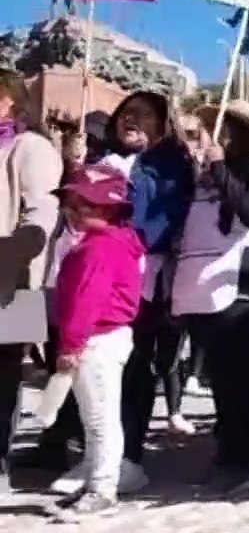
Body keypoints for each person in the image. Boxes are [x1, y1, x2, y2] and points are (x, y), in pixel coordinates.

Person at [52, 92, 195, 495]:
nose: (133, 120)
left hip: (135, 285)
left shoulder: (169, 170)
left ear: (162, 126)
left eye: (146, 115)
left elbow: (160, 224)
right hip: (82, 276)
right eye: (127, 113)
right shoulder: (102, 160)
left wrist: (113, 240)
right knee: (85, 372)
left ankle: (126, 459)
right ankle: (92, 455)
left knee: (130, 373)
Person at [171, 101, 249, 496]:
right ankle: (233, 450)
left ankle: (239, 460)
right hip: (198, 288)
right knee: (222, 379)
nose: (213, 132)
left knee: (239, 379)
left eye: (223, 127)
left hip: (239, 287)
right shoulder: (196, 170)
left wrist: (221, 169)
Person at [48, 163, 144, 520]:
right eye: (70, 203)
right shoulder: (107, 243)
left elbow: (85, 301)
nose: (71, 211)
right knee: (95, 416)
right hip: (101, 338)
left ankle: (102, 487)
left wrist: (70, 346)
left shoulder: (99, 249)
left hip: (96, 339)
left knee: (100, 418)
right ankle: (95, 479)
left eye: (81, 204)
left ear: (107, 208)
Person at [0, 70, 63, 495]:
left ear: (11, 102)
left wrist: (20, 245)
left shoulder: (29, 146)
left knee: (4, 375)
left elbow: (43, 209)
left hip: (13, 277)